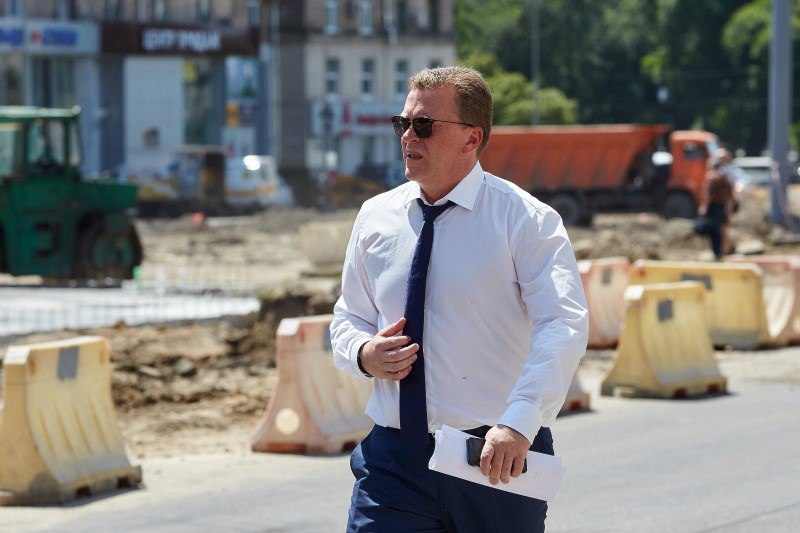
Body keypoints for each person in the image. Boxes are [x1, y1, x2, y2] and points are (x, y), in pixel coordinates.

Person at [330, 66, 588, 532]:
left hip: (495, 456)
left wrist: (520, 422)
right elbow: (349, 315)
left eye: (424, 125)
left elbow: (562, 324)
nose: (409, 136)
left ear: (473, 138)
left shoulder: (525, 220)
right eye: (403, 123)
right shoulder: (375, 217)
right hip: (394, 461)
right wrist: (364, 353)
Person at [698, 149, 737, 260]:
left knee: (715, 230)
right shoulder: (724, 177)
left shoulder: (712, 177)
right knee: (722, 229)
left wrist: (704, 207)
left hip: (714, 207)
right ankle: (726, 251)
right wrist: (729, 209)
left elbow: (708, 195)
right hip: (723, 206)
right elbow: (731, 194)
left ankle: (718, 253)